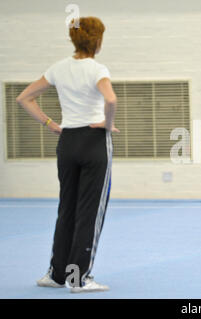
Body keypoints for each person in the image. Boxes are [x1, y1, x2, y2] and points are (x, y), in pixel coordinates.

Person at [16, 16, 118, 292]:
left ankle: (57, 274)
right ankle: (78, 278)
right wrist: (108, 124)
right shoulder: (98, 69)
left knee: (67, 209)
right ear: (97, 42)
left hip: (68, 140)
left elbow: (23, 98)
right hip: (94, 141)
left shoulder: (58, 68)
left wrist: (50, 124)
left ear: (74, 40)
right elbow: (110, 99)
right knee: (89, 212)